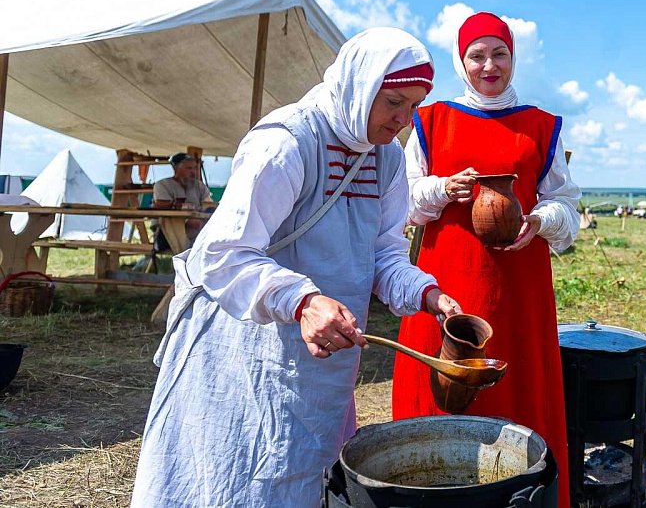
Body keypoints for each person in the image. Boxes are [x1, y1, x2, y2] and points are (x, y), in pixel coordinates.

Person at [131, 28, 463, 507]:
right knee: (234, 467)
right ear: (361, 86)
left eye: (412, 107)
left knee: (298, 469)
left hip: (324, 349)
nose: (402, 120)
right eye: (393, 101)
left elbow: (383, 254)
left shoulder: (387, 161)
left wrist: (428, 294)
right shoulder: (289, 143)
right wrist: (302, 299)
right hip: (247, 339)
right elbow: (223, 254)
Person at [392, 12, 580, 508]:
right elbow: (403, 200)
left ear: (514, 58)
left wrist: (539, 221)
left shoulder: (541, 125)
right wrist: (443, 187)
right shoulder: (430, 121)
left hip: (519, 287)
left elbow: (566, 204)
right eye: (477, 55)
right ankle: (432, 492)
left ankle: (519, 493)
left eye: (499, 54)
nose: (488, 65)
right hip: (446, 283)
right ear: (461, 61)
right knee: (444, 391)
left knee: (516, 390)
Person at [151, 152, 216, 248]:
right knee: (194, 224)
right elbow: (161, 205)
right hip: (167, 233)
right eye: (189, 168)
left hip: (197, 227)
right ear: (176, 169)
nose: (193, 172)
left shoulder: (199, 186)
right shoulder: (162, 185)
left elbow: (209, 204)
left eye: (194, 168)